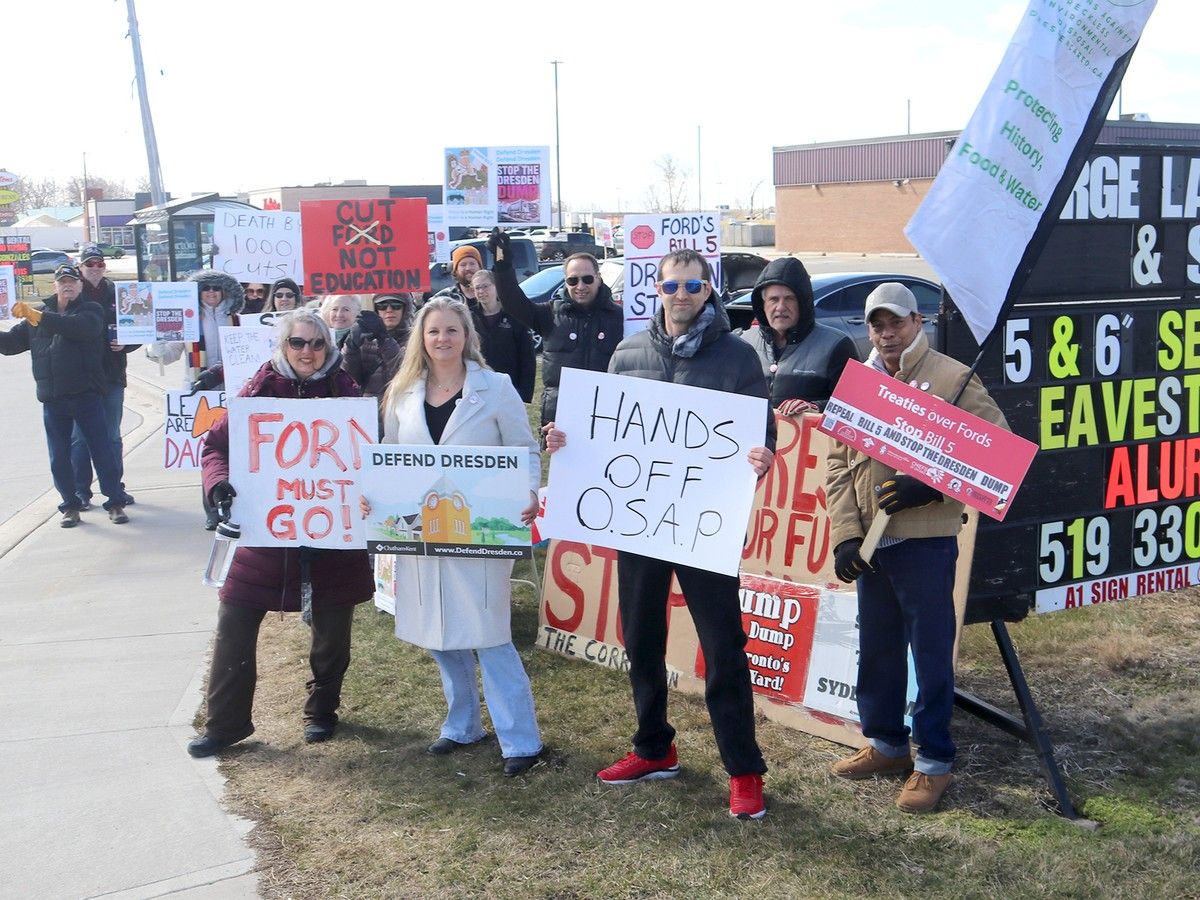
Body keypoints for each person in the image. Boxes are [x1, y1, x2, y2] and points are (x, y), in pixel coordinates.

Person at [544, 249, 775, 819]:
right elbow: (603, 429)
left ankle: (743, 769)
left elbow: (760, 425)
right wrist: (564, 440)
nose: (681, 295)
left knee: (723, 647)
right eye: (672, 286)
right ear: (657, 288)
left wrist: (762, 451)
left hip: (702, 526)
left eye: (693, 286)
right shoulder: (628, 353)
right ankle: (654, 746)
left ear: (708, 290)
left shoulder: (737, 355)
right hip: (641, 524)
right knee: (640, 639)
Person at [826, 282, 1008, 814]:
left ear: (917, 322)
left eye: (896, 322)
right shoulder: (858, 383)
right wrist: (846, 535)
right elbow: (837, 465)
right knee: (877, 649)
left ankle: (933, 760)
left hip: (926, 543)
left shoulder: (954, 379)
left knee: (929, 656)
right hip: (872, 545)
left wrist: (931, 483)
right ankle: (886, 743)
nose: (886, 333)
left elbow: (999, 456)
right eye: (877, 325)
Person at [190, 310, 373, 757]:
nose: (307, 352)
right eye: (298, 343)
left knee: (332, 632)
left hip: (329, 532)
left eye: (316, 344)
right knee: (234, 621)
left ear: (328, 348)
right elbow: (215, 447)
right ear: (283, 345)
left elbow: (371, 453)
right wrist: (218, 485)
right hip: (264, 533)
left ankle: (322, 711)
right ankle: (225, 724)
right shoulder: (258, 392)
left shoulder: (346, 392)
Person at [375, 296, 542, 777]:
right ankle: (462, 724)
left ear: (467, 335)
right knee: (439, 632)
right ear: (420, 339)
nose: (442, 339)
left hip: (482, 528)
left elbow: (523, 448)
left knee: (488, 633)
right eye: (433, 332)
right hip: (422, 531)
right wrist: (378, 499)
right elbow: (390, 455)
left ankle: (520, 740)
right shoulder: (402, 392)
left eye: (452, 330)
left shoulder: (496, 387)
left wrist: (528, 490)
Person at [0, 265, 129, 526]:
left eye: (72, 281)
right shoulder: (38, 317)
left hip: (86, 395)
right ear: (55, 286)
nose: (67, 285)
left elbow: (79, 329)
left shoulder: (91, 310)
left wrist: (37, 316)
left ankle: (115, 503)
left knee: (102, 451)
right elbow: (11, 344)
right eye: (63, 282)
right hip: (53, 399)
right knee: (59, 456)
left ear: (80, 286)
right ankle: (70, 506)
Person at [490, 230, 623, 428]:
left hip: (607, 416)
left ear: (598, 277)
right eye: (572, 280)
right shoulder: (550, 315)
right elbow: (511, 301)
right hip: (560, 418)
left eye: (587, 279)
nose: (580, 286)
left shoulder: (619, 317)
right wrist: (502, 264)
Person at [146, 271, 244, 529]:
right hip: (200, 393)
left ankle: (235, 506)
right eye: (205, 288)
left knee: (237, 452)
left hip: (234, 392)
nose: (211, 292)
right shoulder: (188, 320)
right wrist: (156, 342)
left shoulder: (238, 319)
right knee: (208, 453)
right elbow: (167, 355)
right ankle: (212, 509)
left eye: (217, 287)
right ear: (197, 292)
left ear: (226, 291)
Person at [739, 257, 858, 412]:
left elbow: (855, 408)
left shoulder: (836, 345)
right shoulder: (743, 343)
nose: (780, 307)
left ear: (803, 302)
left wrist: (816, 408)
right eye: (774, 299)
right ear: (763, 305)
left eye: (789, 299)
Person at [71, 245, 138, 509]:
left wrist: (127, 343)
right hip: (80, 379)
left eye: (99, 264)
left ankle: (114, 489)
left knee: (111, 436)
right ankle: (80, 491)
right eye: (90, 264)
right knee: (80, 437)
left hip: (111, 375)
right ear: (80, 268)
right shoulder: (73, 293)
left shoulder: (119, 293)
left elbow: (139, 327)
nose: (95, 268)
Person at [468, 270, 536, 403]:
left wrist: (525, 394)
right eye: (477, 288)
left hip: (510, 386)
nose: (481, 291)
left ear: (496, 286)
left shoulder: (514, 315)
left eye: (485, 286)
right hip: (478, 387)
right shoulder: (469, 317)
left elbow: (527, 357)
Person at [341, 294, 415, 414]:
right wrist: (351, 347)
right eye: (382, 305)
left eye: (396, 305)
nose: (389, 310)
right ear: (375, 309)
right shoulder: (365, 339)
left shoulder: (416, 338)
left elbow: (405, 374)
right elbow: (350, 380)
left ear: (405, 309)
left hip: (402, 410)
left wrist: (384, 339)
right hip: (369, 413)